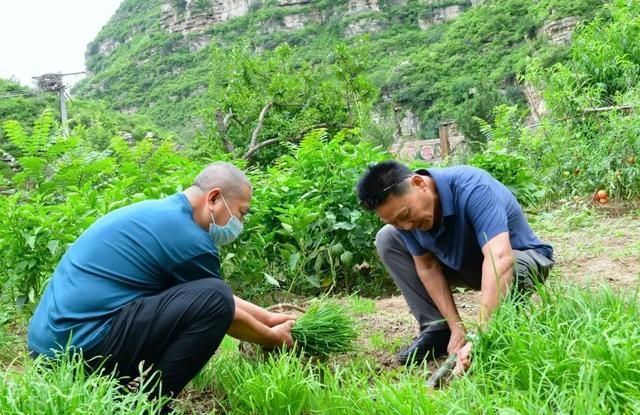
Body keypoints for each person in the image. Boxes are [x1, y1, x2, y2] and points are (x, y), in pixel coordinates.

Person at [27, 162, 296, 408]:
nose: (240, 223)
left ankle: (118, 391)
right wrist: (272, 337)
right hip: (81, 346)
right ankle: (146, 405)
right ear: (213, 198)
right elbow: (220, 306)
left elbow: (215, 297)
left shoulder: (164, 216)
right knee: (214, 299)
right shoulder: (187, 238)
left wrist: (271, 318)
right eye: (241, 213)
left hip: (49, 347)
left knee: (213, 296)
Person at [356, 161, 554, 373]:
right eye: (397, 221)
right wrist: (456, 327)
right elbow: (427, 267)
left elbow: (500, 259)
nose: (406, 226)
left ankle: (498, 329)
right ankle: (438, 329)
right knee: (387, 237)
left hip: (521, 260)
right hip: (469, 267)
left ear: (418, 183)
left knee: (509, 268)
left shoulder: (472, 186)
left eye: (405, 215)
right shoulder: (406, 219)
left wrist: (480, 333)